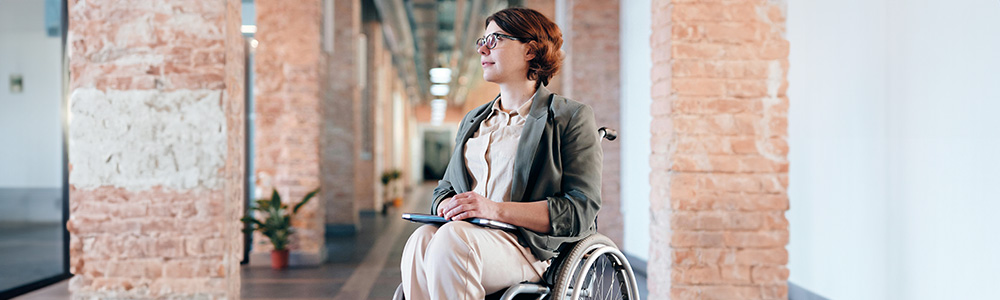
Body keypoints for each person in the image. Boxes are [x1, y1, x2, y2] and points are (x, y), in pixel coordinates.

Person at [400, 7, 602, 300]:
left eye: (495, 39)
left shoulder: (569, 116)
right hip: (465, 237)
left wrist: (494, 210)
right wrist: (448, 205)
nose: (482, 47)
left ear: (530, 50)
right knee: (421, 239)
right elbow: (443, 189)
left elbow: (579, 211)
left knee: (452, 240)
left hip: (526, 247)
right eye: (482, 39)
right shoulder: (474, 120)